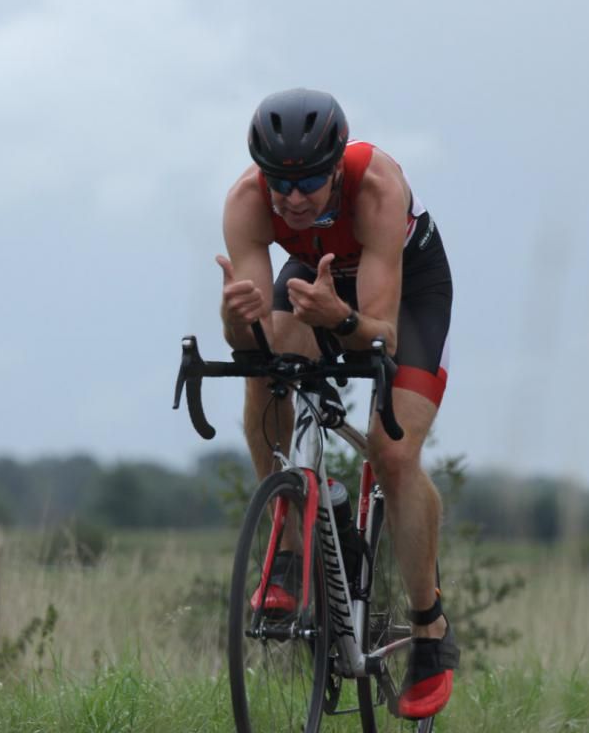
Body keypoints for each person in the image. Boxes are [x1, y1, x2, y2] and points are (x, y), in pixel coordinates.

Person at [216, 87, 459, 719]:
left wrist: (341, 317)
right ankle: (294, 538)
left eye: (310, 184)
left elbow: (382, 331)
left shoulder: (377, 185)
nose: (293, 199)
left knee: (393, 452)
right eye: (281, 185)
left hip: (402, 296)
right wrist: (235, 322)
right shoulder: (247, 202)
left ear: (336, 170)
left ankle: (430, 629)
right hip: (314, 280)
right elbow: (252, 340)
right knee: (264, 374)